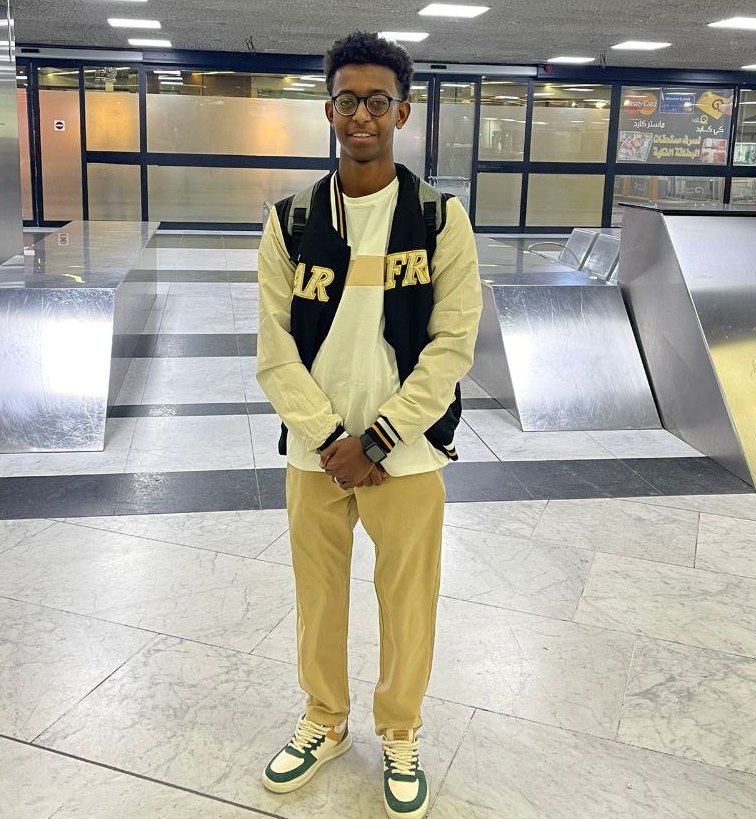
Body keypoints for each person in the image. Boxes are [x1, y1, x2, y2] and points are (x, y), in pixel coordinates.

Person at [255, 31, 482, 819]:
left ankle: (400, 729)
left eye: (377, 101)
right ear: (328, 110)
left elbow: (452, 344)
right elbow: (274, 350)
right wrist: (330, 442)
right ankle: (324, 718)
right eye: (347, 100)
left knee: (407, 601)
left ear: (402, 112)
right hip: (316, 455)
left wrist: (378, 439)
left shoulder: (438, 218)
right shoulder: (290, 221)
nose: (361, 115)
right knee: (317, 596)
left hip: (407, 456)